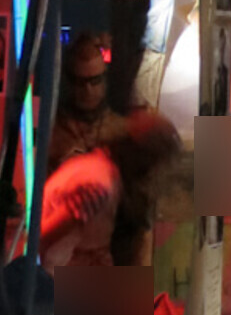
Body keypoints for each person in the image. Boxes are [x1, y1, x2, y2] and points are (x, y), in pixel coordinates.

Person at [40, 109, 181, 268]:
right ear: (144, 162)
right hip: (49, 280)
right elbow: (43, 236)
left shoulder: (100, 169)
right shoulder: (98, 186)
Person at [48, 33, 124, 172]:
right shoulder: (52, 131)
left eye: (95, 81)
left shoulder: (120, 131)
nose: (88, 90)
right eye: (80, 82)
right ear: (70, 82)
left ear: (105, 80)